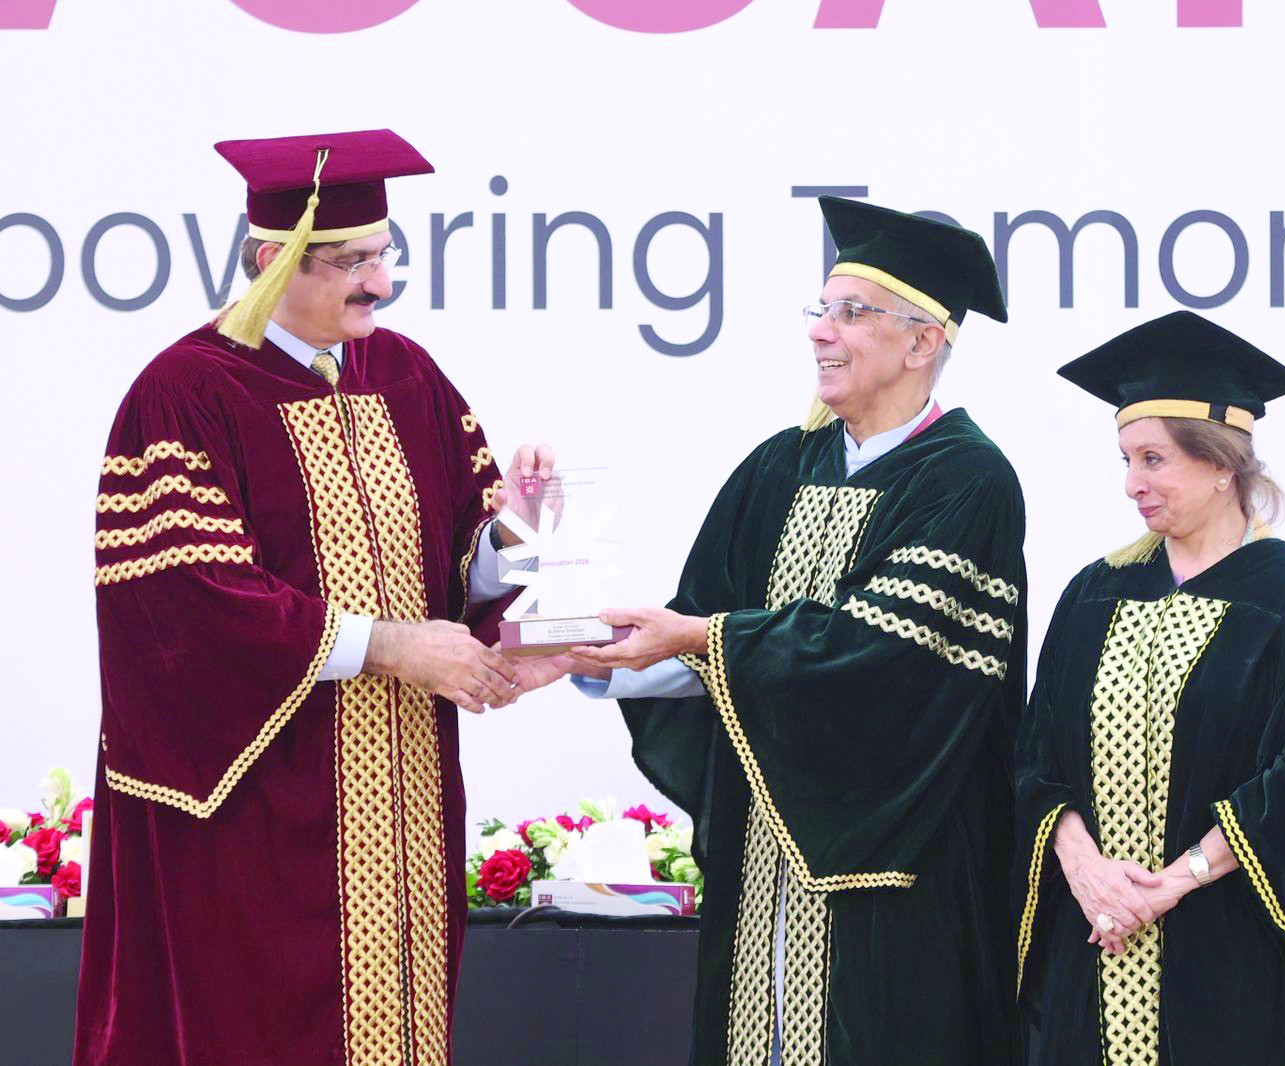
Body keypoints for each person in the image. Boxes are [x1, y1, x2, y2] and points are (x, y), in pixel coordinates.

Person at [78, 129, 554, 1066]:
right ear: (271, 260)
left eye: (385, 256)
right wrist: (383, 645)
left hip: (404, 788)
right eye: (353, 263)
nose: (380, 284)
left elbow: (457, 564)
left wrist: (512, 535)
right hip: (256, 812)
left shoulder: (406, 373)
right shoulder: (184, 394)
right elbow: (184, 605)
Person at [522, 197, 1028, 1065]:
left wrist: (691, 638)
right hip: (764, 858)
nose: (820, 332)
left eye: (851, 313)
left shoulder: (969, 482)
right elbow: (704, 620)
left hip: (896, 867)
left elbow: (880, 654)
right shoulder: (778, 466)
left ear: (923, 342)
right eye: (820, 309)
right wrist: (601, 655)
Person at [1013, 310, 1285, 1065]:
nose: (1132, 485)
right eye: (1125, 459)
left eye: (1153, 460)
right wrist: (1087, 869)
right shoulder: (1095, 595)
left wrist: (1175, 880)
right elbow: (1035, 759)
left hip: (1233, 965)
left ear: (1223, 464)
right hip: (1092, 944)